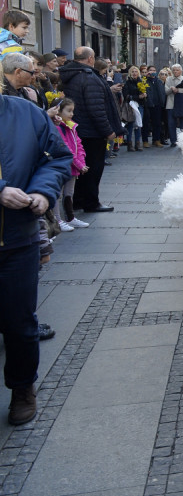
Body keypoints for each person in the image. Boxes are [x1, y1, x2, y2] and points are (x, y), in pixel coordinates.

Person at [0, 91, 72, 425]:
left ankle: (22, 389)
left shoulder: (24, 112)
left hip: (17, 238)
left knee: (20, 324)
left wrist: (43, 191)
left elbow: (57, 158)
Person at [57, 47, 117, 212]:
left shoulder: (71, 74)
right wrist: (108, 130)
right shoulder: (89, 77)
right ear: (90, 58)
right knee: (92, 168)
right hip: (91, 131)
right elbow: (96, 108)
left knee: (81, 168)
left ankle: (78, 200)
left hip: (76, 128)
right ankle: (91, 202)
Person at [50, 97, 90, 232]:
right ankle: (57, 219)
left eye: (72, 111)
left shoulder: (72, 126)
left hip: (73, 166)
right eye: (69, 111)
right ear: (58, 112)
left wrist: (82, 162)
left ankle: (70, 217)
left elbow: (78, 145)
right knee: (59, 194)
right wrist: (79, 164)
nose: (72, 114)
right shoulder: (58, 128)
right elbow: (65, 148)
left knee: (69, 192)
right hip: (63, 165)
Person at [165, 64, 183, 147]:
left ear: (181, 71)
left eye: (177, 70)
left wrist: (178, 90)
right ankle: (173, 141)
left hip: (181, 104)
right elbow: (165, 91)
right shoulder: (168, 79)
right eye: (174, 70)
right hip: (171, 104)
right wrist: (171, 89)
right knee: (171, 123)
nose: (175, 71)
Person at [122, 66, 145, 152]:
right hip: (131, 106)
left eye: (136, 71)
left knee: (138, 124)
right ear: (130, 73)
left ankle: (138, 143)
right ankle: (129, 144)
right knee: (130, 125)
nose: (134, 73)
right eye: (133, 72)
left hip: (140, 105)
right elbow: (126, 96)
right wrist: (138, 96)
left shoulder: (142, 82)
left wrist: (144, 95)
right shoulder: (127, 83)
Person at [143, 66, 166, 147]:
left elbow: (162, 92)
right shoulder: (145, 81)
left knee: (157, 123)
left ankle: (156, 139)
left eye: (154, 70)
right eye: (151, 70)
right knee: (146, 123)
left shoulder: (159, 81)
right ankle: (145, 140)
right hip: (148, 104)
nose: (153, 72)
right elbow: (140, 83)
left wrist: (162, 102)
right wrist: (145, 76)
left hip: (157, 104)